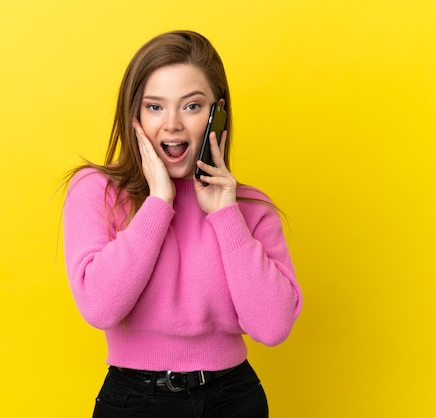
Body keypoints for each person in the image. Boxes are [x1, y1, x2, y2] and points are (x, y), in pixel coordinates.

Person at [63, 30, 302, 418]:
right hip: (134, 400)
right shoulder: (96, 191)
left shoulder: (250, 208)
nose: (172, 124)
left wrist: (226, 215)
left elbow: (273, 327)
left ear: (217, 114)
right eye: (155, 107)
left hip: (233, 399)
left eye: (191, 106)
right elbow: (100, 308)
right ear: (134, 116)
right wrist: (159, 201)